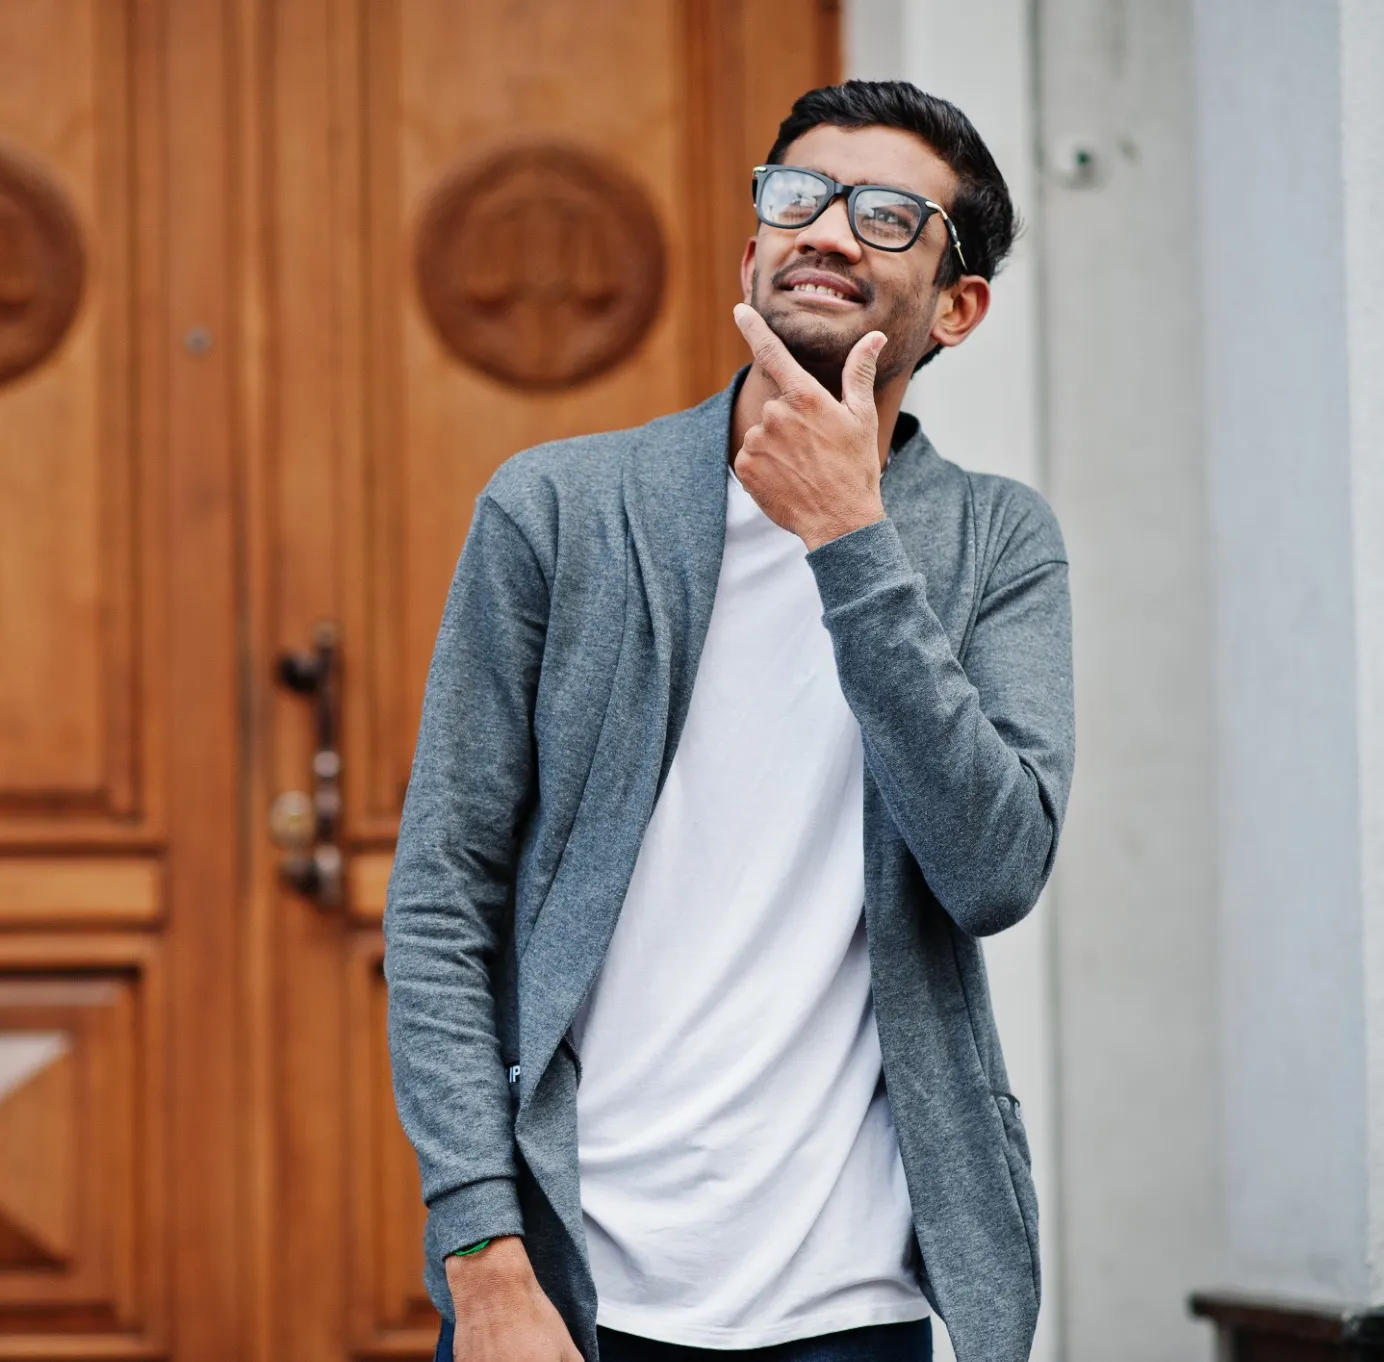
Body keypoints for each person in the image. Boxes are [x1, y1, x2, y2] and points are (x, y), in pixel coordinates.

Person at [384, 80, 1071, 1362]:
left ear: (957, 305)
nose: (823, 230)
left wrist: (850, 541)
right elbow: (439, 898)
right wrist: (480, 1255)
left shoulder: (993, 543)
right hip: (569, 1290)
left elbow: (992, 872)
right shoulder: (559, 509)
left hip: (851, 1303)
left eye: (883, 215)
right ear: (749, 247)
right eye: (796, 196)